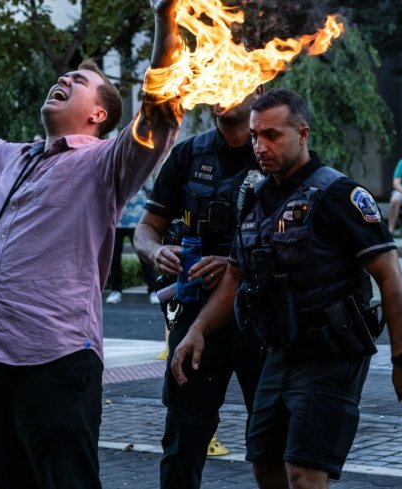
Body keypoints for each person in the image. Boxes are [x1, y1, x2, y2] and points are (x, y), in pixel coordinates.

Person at [0, 2, 181, 486]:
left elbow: (158, 113)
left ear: (99, 113)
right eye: (66, 75)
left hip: (53, 363)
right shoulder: (13, 158)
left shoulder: (105, 165)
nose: (66, 79)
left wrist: (165, 21)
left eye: (80, 80)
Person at [171, 89, 402, 489]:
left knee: (305, 474)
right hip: (280, 353)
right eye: (257, 135)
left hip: (332, 354)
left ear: (303, 133)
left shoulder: (340, 195)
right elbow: (236, 277)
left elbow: (390, 278)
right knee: (265, 465)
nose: (260, 146)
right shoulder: (256, 199)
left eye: (273, 135)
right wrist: (197, 330)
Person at [133, 89, 264, 488]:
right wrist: (157, 253)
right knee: (184, 436)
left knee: (272, 439)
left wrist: (234, 264)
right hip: (195, 320)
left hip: (261, 319)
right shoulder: (189, 154)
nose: (226, 90)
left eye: (236, 81)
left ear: (258, 90)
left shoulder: (274, 150)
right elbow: (145, 229)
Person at [105, 184, 158, 305]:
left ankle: (153, 290)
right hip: (116, 215)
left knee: (144, 256)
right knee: (114, 257)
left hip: (138, 215)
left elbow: (151, 190)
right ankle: (116, 290)